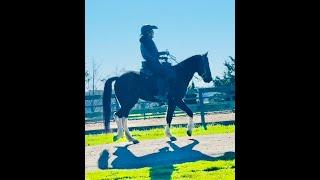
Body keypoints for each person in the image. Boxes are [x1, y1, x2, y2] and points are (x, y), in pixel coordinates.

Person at [139, 24, 175, 100]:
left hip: (152, 61)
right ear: (148, 32)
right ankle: (160, 93)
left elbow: (153, 53)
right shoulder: (147, 41)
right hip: (152, 63)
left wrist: (162, 54)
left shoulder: (146, 40)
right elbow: (152, 54)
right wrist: (161, 55)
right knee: (163, 73)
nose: (153, 32)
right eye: (151, 31)